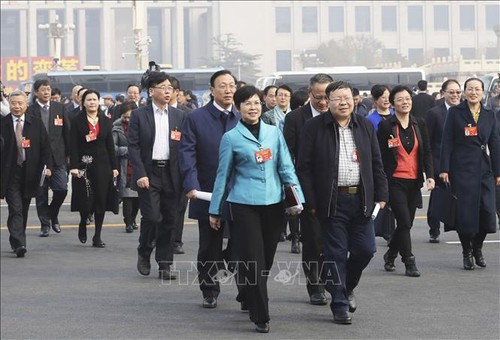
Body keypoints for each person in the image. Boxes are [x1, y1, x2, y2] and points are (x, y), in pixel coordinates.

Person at [209, 85, 304, 333]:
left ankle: (248, 291)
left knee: (267, 259)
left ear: (262, 105)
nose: (253, 107)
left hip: (273, 203)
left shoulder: (274, 133)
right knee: (253, 258)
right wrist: (215, 210)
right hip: (243, 204)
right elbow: (223, 176)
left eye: (256, 103)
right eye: (247, 104)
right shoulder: (230, 138)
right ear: (238, 108)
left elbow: (286, 167)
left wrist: (296, 198)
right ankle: (261, 314)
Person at [297, 81, 388, 325]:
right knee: (335, 253)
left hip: (361, 199)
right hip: (331, 201)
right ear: (328, 101)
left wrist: (382, 193)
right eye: (337, 98)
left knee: (365, 249)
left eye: (347, 97)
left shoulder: (365, 125)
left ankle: (345, 286)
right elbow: (303, 168)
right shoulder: (314, 128)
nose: (344, 102)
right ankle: (339, 304)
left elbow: (376, 163)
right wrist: (312, 201)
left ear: (354, 99)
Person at [179, 69, 240, 309]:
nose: (228, 90)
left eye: (231, 85)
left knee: (242, 243)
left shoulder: (243, 117)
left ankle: (242, 285)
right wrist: (192, 185)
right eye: (222, 85)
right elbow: (187, 153)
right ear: (212, 90)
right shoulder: (196, 118)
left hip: (241, 192)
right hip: (207, 190)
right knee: (209, 244)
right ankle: (209, 289)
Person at [128, 71, 186, 279]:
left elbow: (185, 147)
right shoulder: (139, 115)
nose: (168, 91)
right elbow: (133, 146)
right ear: (152, 91)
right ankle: (144, 251)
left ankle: (165, 263)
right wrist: (140, 173)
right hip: (149, 173)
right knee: (152, 217)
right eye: (163, 87)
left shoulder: (180, 115)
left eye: (170, 88)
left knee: (170, 219)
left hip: (172, 173)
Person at [439, 77, 500, 270]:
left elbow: (495, 143)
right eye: (470, 89)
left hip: (484, 168)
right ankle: (467, 251)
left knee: (488, 212)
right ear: (464, 92)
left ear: (483, 92)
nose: (473, 92)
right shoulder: (456, 113)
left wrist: (498, 171)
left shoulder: (490, 114)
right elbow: (447, 141)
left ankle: (478, 247)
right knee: (466, 215)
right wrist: (444, 169)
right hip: (461, 170)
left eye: (477, 89)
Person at [283, 73, 333, 305]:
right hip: (308, 188)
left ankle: (331, 280)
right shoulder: (295, 118)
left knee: (333, 239)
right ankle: (315, 286)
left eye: (327, 97)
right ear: (309, 93)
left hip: (337, 188)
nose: (323, 102)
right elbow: (288, 155)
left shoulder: (341, 115)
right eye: (318, 96)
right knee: (313, 240)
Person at [377, 85, 435, 277]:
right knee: (403, 221)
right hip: (395, 181)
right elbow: (379, 155)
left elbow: (426, 152)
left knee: (406, 223)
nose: (405, 102)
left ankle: (391, 254)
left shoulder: (419, 123)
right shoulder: (386, 126)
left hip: (414, 181)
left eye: (408, 98)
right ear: (393, 104)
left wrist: (430, 175)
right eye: (400, 99)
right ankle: (409, 261)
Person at [0, 90, 53, 257]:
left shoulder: (35, 123)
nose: (16, 106)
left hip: (30, 172)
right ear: (9, 103)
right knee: (15, 208)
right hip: (10, 173)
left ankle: (16, 239)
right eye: (13, 103)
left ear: (26, 104)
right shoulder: (3, 124)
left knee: (23, 207)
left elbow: (45, 148)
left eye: (20, 103)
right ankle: (20, 243)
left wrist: (48, 166)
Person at [69, 89, 119, 248]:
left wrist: (114, 167)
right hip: (85, 165)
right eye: (89, 99)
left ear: (99, 102)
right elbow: (73, 146)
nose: (92, 102)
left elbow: (110, 145)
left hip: (103, 165)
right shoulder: (77, 120)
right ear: (83, 102)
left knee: (101, 200)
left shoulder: (105, 120)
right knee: (86, 199)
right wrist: (74, 166)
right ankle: (83, 221)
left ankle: (97, 236)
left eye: (95, 99)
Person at [27, 79, 70, 237]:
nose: (46, 92)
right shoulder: (30, 111)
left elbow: (67, 132)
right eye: (43, 89)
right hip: (38, 160)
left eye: (48, 89)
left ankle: (52, 214)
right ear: (36, 92)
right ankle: (45, 224)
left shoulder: (60, 108)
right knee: (41, 193)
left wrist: (70, 156)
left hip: (58, 157)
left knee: (62, 189)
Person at [424, 79, 461, 243]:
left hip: (460, 162)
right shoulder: (434, 113)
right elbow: (428, 142)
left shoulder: (464, 111)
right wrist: (431, 169)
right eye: (451, 92)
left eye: (458, 92)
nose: (455, 95)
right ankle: (434, 229)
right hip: (439, 163)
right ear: (443, 93)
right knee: (437, 197)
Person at [168, 76, 191, 255]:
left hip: (180, 167)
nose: (166, 92)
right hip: (157, 167)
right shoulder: (148, 112)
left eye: (170, 88)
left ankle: (176, 240)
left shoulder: (186, 114)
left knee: (179, 206)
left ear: (177, 92)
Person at [112, 100, 139, 233]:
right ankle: (128, 221)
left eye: (130, 117)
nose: (128, 120)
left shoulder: (141, 125)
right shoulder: (116, 127)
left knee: (138, 197)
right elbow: (112, 148)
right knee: (127, 196)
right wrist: (127, 150)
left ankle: (133, 218)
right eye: (125, 117)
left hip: (138, 164)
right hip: (124, 165)